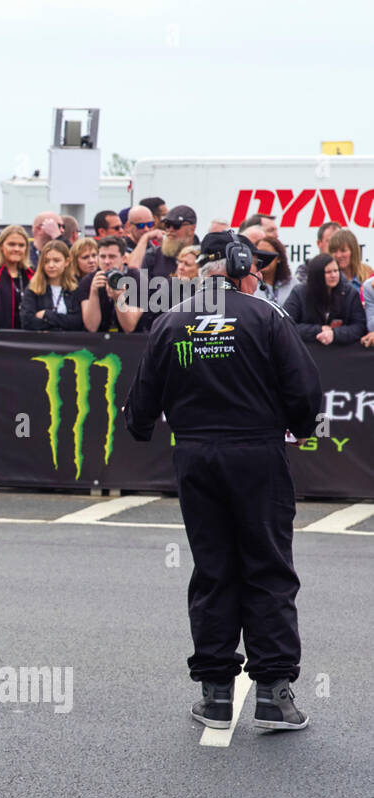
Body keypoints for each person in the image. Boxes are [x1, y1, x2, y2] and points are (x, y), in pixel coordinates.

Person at [124, 231, 322, 732]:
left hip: (196, 457)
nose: (257, 273)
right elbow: (305, 392)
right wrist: (296, 428)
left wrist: (147, 426)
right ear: (237, 265)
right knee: (268, 568)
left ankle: (215, 695)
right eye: (253, 265)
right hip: (256, 455)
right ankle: (275, 695)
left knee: (213, 569)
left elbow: (139, 408)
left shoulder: (171, 320)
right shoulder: (268, 316)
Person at [284, 254, 364, 346]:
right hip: (307, 350)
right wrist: (319, 330)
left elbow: (359, 326)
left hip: (341, 351)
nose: (333, 275)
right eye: (328, 272)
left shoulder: (350, 293)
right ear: (317, 274)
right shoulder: (299, 293)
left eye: (336, 271)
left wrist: (334, 334)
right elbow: (287, 325)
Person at [78, 236, 143, 332]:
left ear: (124, 258)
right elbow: (91, 327)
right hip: (99, 340)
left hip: (131, 341)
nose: (107, 262)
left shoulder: (136, 279)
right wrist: (94, 292)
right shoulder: (89, 281)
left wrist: (119, 299)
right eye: (102, 257)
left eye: (112, 257)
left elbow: (129, 327)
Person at [19, 240, 82, 330]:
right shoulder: (33, 288)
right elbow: (27, 322)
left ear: (67, 262)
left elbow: (77, 322)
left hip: (68, 342)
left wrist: (47, 315)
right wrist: (62, 323)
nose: (51, 265)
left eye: (56, 260)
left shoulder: (75, 288)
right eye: (46, 261)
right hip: (42, 342)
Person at [132, 205, 197, 278]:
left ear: (192, 229)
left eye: (176, 225)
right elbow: (139, 287)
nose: (170, 229)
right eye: (167, 225)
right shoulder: (153, 257)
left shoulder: (202, 256)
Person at [0, 225, 34, 329]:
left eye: (21, 245)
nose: (16, 249)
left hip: (30, 339)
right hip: (1, 338)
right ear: (1, 246)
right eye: (11, 244)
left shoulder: (32, 275)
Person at [293, 222, 341, 287]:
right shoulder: (305, 270)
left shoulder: (348, 269)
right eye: (330, 241)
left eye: (338, 242)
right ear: (319, 243)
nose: (334, 245)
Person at [253, 235, 295, 307]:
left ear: (279, 258)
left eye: (267, 254)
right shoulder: (249, 282)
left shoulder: (293, 284)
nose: (263, 259)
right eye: (259, 255)